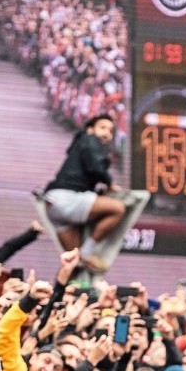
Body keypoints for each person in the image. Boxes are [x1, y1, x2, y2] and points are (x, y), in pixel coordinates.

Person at [41, 115, 126, 272]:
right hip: (68, 198)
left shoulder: (80, 144)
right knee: (118, 208)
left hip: (52, 205)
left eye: (111, 130)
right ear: (90, 129)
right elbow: (96, 167)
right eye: (102, 127)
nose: (107, 133)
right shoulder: (90, 139)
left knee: (72, 265)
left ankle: (64, 292)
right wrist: (110, 183)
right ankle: (88, 252)